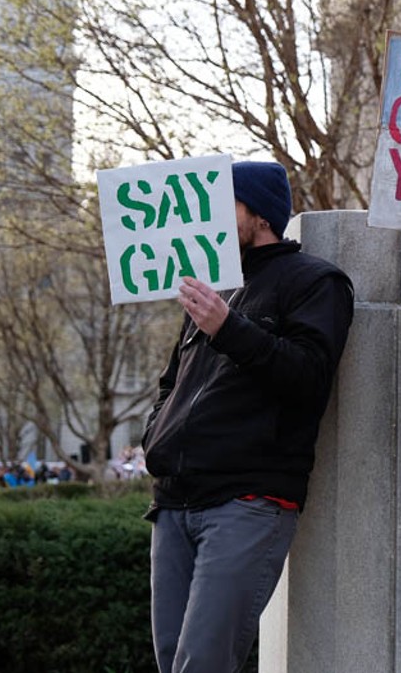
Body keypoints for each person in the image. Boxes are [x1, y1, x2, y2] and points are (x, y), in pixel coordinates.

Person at [142, 160, 355, 673]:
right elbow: (173, 381)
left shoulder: (314, 281)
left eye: (223, 205)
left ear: (259, 214)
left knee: (204, 663)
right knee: (173, 660)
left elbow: (309, 377)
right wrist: (156, 433)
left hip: (247, 500)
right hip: (175, 500)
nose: (209, 218)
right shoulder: (216, 283)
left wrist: (228, 326)